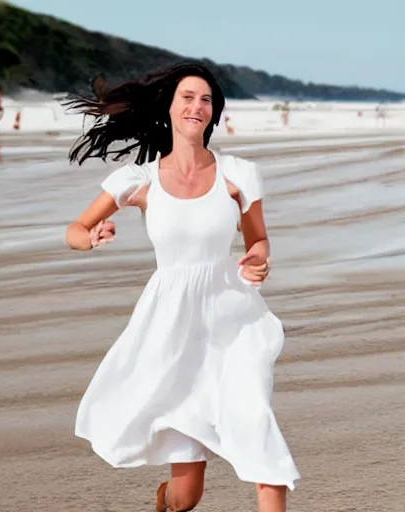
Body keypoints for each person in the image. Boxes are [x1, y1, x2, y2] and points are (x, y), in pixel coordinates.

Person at [65, 62, 300, 512]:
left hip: (234, 323)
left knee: (258, 432)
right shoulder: (139, 180)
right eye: (188, 97)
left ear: (213, 113)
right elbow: (75, 228)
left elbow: (258, 240)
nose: (197, 105)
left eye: (206, 99)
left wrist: (257, 261)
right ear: (169, 107)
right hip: (172, 331)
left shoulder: (239, 174)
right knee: (185, 495)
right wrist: (90, 238)